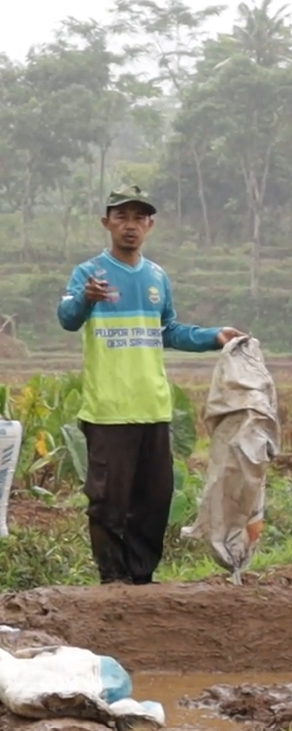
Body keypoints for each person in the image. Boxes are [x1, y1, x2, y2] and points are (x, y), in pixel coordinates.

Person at [56, 185, 244, 585]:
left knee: (154, 501)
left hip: (153, 408)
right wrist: (87, 300)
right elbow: (68, 318)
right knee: (109, 503)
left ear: (150, 225)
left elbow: (170, 331)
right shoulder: (89, 274)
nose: (130, 226)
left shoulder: (157, 276)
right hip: (108, 411)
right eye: (122, 216)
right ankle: (113, 579)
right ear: (106, 222)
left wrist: (215, 336)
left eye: (139, 218)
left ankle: (142, 579)